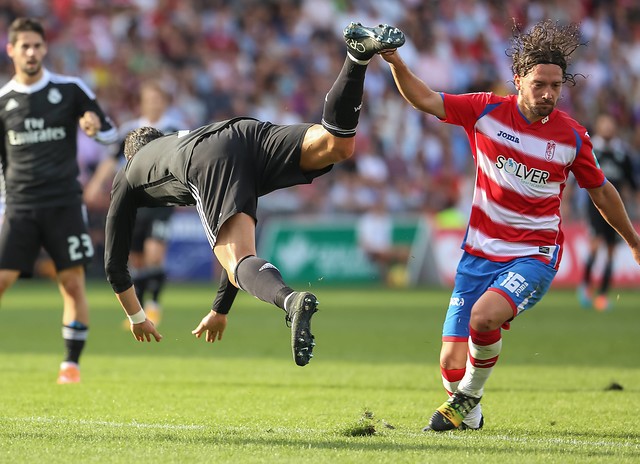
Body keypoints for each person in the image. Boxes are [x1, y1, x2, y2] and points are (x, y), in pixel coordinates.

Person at [380, 19, 640, 430]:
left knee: (484, 319)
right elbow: (426, 99)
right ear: (517, 80)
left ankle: (468, 398)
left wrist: (633, 239)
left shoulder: (572, 137)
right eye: (539, 83)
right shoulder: (486, 111)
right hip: (478, 253)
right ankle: (473, 416)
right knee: (450, 361)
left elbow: (602, 191)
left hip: (534, 254)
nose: (548, 94)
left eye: (556, 85)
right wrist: (394, 60)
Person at [103, 23, 405, 367]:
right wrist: (220, 309)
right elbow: (234, 222)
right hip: (241, 132)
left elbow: (114, 266)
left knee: (239, 262)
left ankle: (290, 301)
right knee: (336, 144)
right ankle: (356, 58)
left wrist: (136, 316)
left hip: (208, 159)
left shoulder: (129, 171)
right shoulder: (175, 139)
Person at [0, 17, 118, 383]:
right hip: (19, 204)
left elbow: (111, 132)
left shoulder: (70, 90)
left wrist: (94, 128)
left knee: (72, 283)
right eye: (25, 46)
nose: (32, 52)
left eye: (37, 45)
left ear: (45, 48)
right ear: (12, 50)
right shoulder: (3, 101)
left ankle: (71, 364)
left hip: (64, 203)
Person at [85, 80, 185, 326]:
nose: (153, 104)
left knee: (154, 255)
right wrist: (95, 184)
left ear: (164, 102)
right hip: (135, 201)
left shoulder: (175, 128)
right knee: (137, 260)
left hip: (162, 201)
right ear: (141, 103)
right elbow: (111, 160)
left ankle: (154, 305)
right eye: (149, 99)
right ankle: (138, 311)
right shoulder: (129, 130)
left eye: (158, 99)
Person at [577, 114, 639, 311]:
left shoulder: (622, 153)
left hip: (616, 208)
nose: (608, 128)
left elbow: (632, 183)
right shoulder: (591, 148)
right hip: (595, 206)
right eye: (605, 125)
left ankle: (602, 295)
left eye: (611, 125)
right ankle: (586, 287)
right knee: (595, 246)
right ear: (598, 127)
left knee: (611, 252)